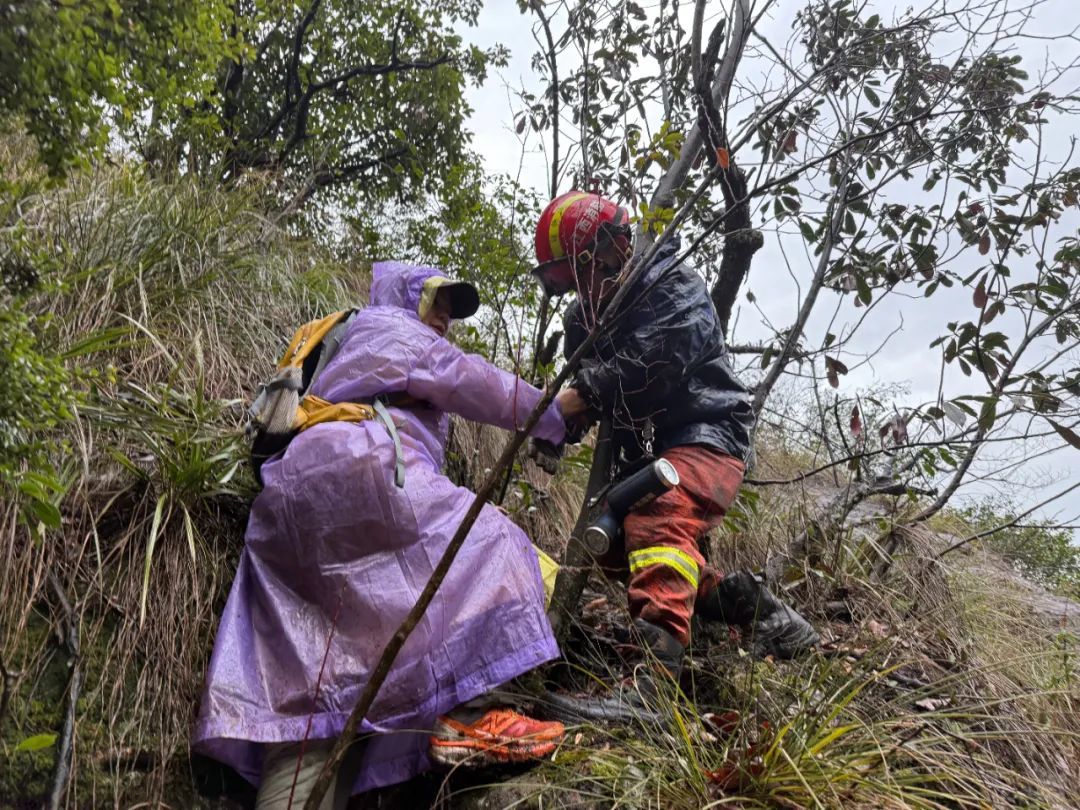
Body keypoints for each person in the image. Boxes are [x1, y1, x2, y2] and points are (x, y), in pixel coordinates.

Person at [194, 261, 573, 809]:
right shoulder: (390, 325)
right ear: (405, 297)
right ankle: (466, 718)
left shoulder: (336, 339)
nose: (442, 319)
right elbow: (468, 380)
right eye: (436, 302)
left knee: (319, 696)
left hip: (289, 502)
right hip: (362, 467)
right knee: (499, 546)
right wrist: (555, 412)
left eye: (450, 311)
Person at [531, 191, 819, 698]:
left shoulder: (671, 285)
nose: (577, 291)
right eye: (564, 283)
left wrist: (585, 396)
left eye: (580, 274)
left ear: (612, 250)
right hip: (648, 453)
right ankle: (754, 609)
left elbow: (656, 361)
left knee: (658, 514)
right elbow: (580, 390)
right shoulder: (583, 321)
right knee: (614, 547)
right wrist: (556, 430)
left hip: (709, 434)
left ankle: (653, 688)